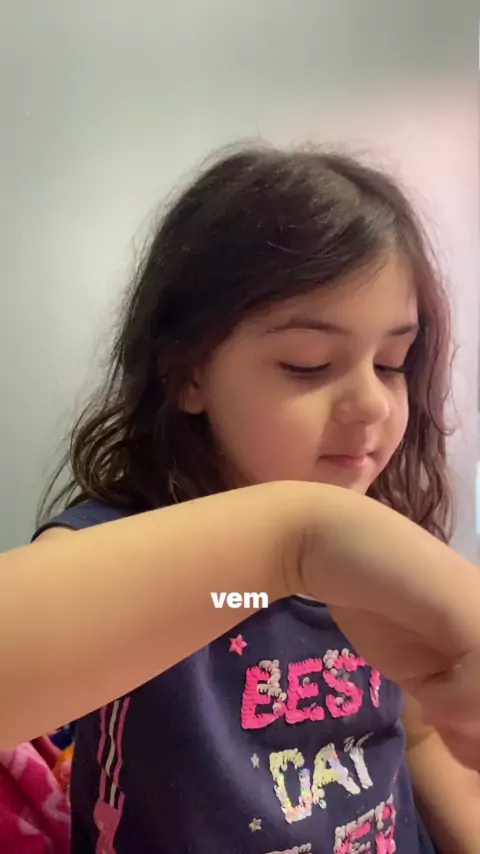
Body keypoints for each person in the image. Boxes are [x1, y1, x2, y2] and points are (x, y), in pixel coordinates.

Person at [2, 144, 480, 853]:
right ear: (188, 375)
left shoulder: (389, 542)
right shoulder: (121, 543)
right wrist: (298, 540)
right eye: (308, 365)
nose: (374, 405)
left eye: (391, 364)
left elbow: (417, 738)